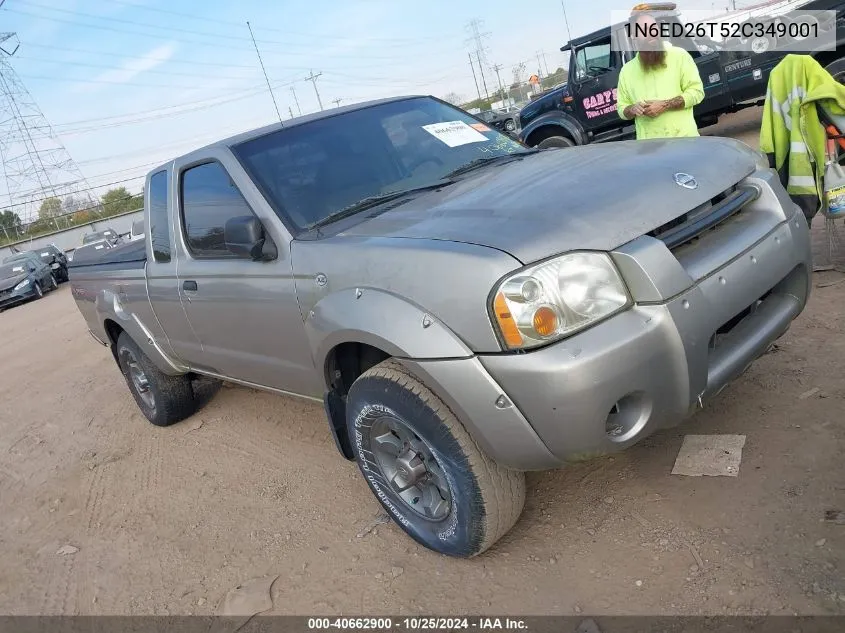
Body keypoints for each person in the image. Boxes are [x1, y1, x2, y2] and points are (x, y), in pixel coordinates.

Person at [616, 11, 705, 140]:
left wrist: (665, 105)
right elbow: (621, 109)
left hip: (685, 141)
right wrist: (632, 109)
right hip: (651, 148)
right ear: (633, 35)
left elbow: (697, 92)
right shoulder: (627, 71)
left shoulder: (679, 55)